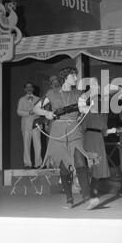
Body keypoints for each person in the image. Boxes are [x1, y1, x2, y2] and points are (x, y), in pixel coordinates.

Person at [33, 67, 99, 210]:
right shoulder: (51, 93)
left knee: (81, 162)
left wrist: (88, 107)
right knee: (64, 168)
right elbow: (35, 108)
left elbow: (82, 108)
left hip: (74, 130)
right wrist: (47, 113)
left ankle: (88, 198)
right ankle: (69, 198)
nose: (76, 78)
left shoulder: (78, 94)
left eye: (76, 75)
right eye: (73, 75)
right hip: (58, 132)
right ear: (65, 77)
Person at [17, 82, 42, 169]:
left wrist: (37, 113)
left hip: (36, 125)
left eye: (30, 87)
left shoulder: (38, 99)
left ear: (33, 89)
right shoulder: (21, 100)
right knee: (26, 144)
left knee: (38, 145)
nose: (29, 88)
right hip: (26, 125)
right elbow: (19, 112)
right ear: (25, 89)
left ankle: (38, 163)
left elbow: (41, 111)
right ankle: (27, 163)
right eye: (27, 87)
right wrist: (28, 113)